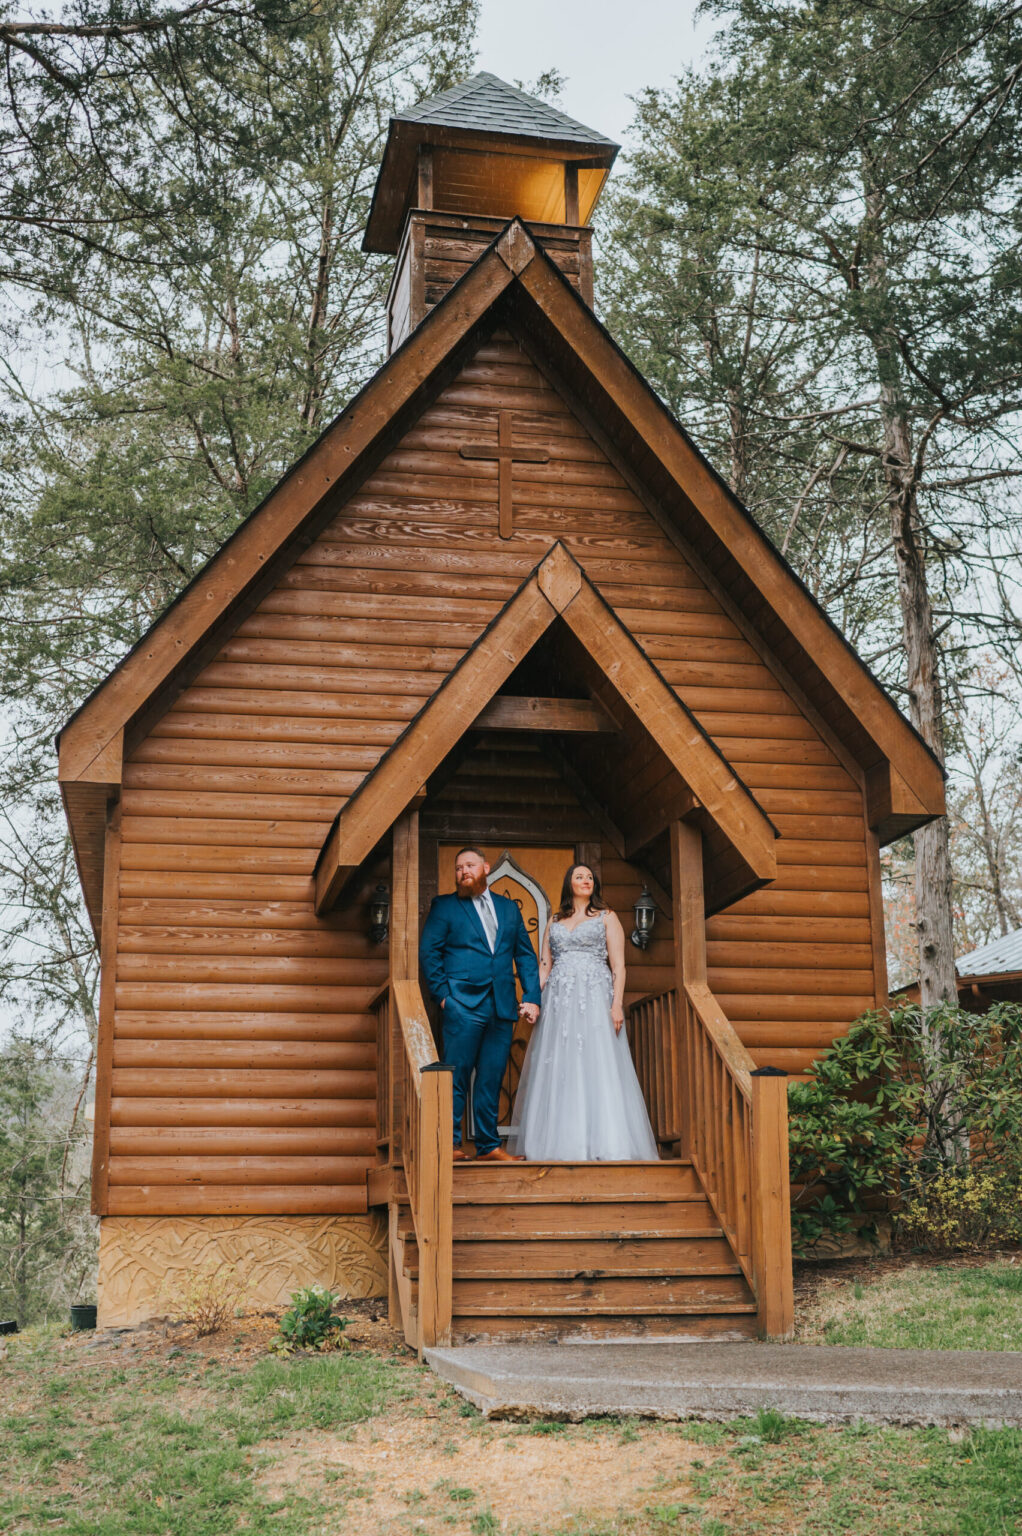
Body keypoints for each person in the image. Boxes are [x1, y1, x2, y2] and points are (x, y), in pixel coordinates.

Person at [505, 863, 659, 1162]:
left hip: (595, 999)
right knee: (560, 1065)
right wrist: (532, 999)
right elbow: (545, 965)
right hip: (560, 1004)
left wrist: (616, 1005)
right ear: (569, 883)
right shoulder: (555, 920)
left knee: (596, 1063)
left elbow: (618, 966)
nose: (586, 880)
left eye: (590, 877)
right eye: (579, 876)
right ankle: (559, 1143)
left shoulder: (607, 917)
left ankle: (605, 1142)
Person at [419, 846, 541, 1162]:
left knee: (490, 1078)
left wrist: (531, 998)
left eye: (470, 865)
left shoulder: (508, 909)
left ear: (485, 868)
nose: (464, 872)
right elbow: (429, 953)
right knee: (456, 1077)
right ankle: (450, 1144)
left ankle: (489, 1146)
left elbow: (525, 956)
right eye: (459, 868)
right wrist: (445, 997)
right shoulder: (445, 907)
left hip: (501, 1006)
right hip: (462, 1004)